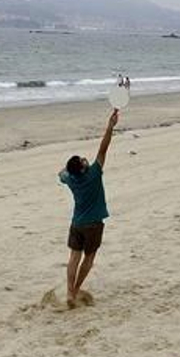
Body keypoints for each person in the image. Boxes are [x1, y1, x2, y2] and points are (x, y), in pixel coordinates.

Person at [57, 109, 118, 309]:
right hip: (93, 224)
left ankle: (68, 291)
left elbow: (61, 173)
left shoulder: (71, 179)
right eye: (83, 160)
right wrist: (110, 126)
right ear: (83, 168)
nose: (85, 159)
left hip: (77, 223)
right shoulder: (94, 173)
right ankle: (75, 291)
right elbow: (103, 148)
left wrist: (69, 170)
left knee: (73, 257)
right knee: (88, 259)